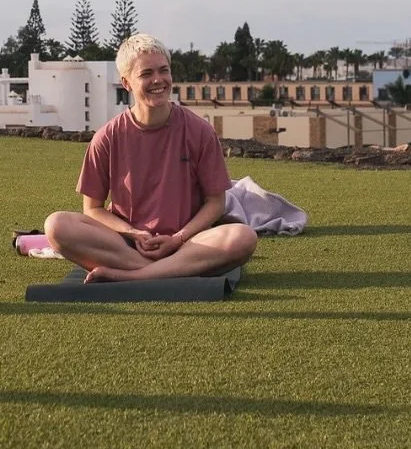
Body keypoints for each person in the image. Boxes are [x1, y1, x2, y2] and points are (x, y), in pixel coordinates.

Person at [44, 34, 258, 283]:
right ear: (126, 83)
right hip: (127, 244)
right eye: (146, 74)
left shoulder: (200, 131)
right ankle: (160, 271)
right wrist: (132, 232)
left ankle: (135, 276)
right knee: (56, 225)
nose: (158, 80)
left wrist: (178, 238)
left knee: (243, 237)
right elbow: (92, 209)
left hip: (187, 243)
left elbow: (216, 203)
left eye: (163, 71)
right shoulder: (107, 137)